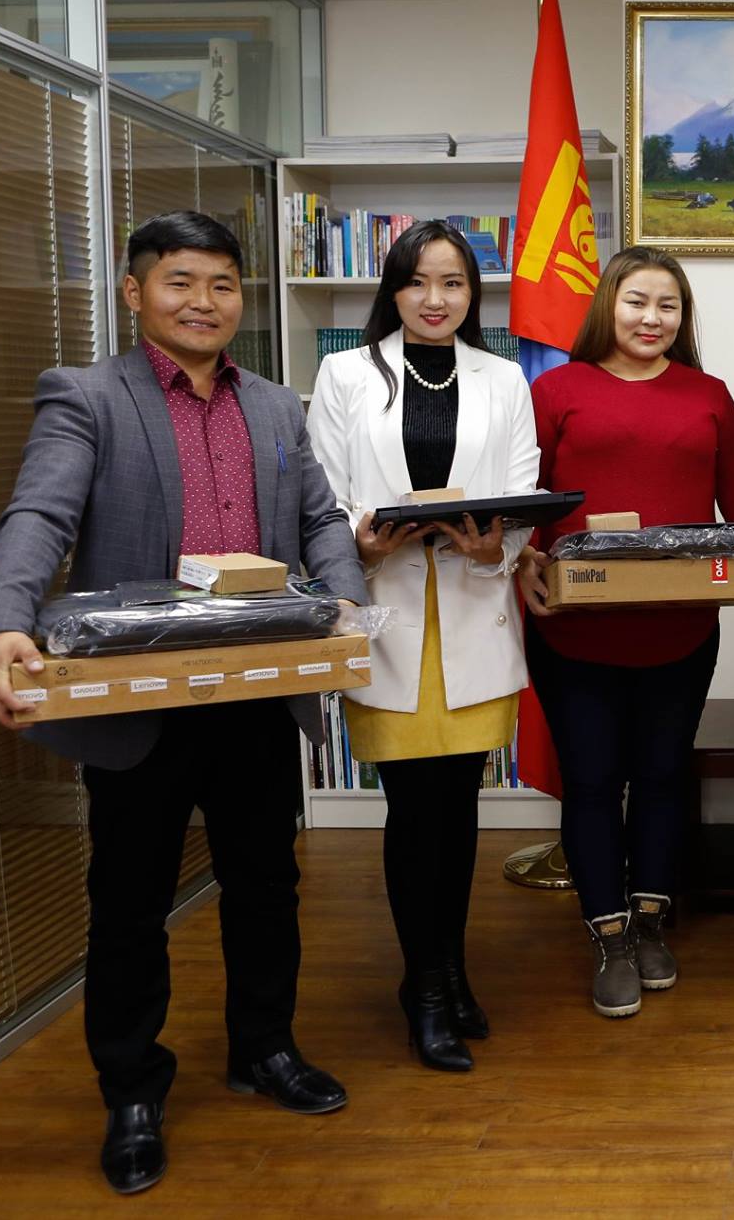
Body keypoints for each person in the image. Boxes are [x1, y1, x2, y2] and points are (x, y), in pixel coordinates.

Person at [0, 211, 367, 1195]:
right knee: (130, 905)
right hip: (137, 698)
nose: (203, 302)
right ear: (135, 290)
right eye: (180, 281)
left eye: (222, 284)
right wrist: (1, 621)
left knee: (266, 884)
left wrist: (346, 598)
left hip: (258, 691)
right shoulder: (88, 397)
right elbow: (39, 515)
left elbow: (320, 520)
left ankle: (264, 1048)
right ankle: (132, 1091)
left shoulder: (274, 405)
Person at [307, 219, 538, 1071]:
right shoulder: (344, 373)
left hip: (475, 614)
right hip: (390, 616)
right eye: (417, 282)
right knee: (413, 812)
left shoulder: (503, 377)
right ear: (393, 290)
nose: (435, 299)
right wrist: (359, 546)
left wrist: (497, 546)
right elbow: (323, 494)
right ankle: (427, 989)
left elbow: (523, 489)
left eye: (453, 283)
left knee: (460, 809)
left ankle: (451, 969)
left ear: (474, 293)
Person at [519, 246, 734, 1018]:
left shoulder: (709, 395)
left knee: (662, 778)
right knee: (591, 781)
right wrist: (525, 561)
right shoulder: (555, 389)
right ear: (608, 305)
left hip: (680, 632)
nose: (652, 318)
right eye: (637, 301)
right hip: (573, 633)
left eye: (668, 305)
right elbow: (526, 503)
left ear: (683, 317)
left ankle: (652, 922)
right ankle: (609, 935)